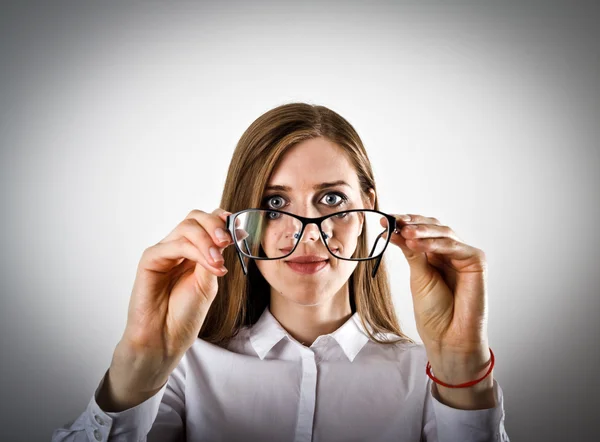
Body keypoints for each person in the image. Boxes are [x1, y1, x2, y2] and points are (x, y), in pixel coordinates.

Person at [52, 103, 509, 441]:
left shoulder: (431, 381)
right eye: (274, 205)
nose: (306, 235)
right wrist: (139, 363)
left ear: (368, 206)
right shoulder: (184, 373)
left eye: (331, 199)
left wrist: (463, 369)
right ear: (241, 222)